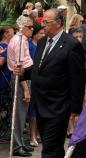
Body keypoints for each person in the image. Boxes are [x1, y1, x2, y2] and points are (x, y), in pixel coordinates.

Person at [13, 8, 86, 158]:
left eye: (46, 22)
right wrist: (23, 73)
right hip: (40, 103)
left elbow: (78, 78)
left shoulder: (71, 45)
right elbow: (39, 68)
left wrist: (75, 108)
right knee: (52, 147)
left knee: (49, 151)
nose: (43, 25)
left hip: (59, 106)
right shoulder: (42, 42)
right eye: (41, 21)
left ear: (58, 23)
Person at [7, 15, 34, 157]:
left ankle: (20, 143)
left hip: (25, 77)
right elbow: (19, 67)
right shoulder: (18, 41)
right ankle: (17, 145)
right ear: (22, 27)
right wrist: (26, 89)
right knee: (18, 114)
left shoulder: (22, 40)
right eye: (29, 27)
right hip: (20, 79)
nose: (32, 29)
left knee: (22, 114)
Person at [0, 25, 15, 143]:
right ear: (5, 34)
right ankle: (4, 133)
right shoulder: (5, 46)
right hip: (3, 83)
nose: (14, 34)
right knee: (4, 109)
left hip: (4, 82)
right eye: (12, 32)